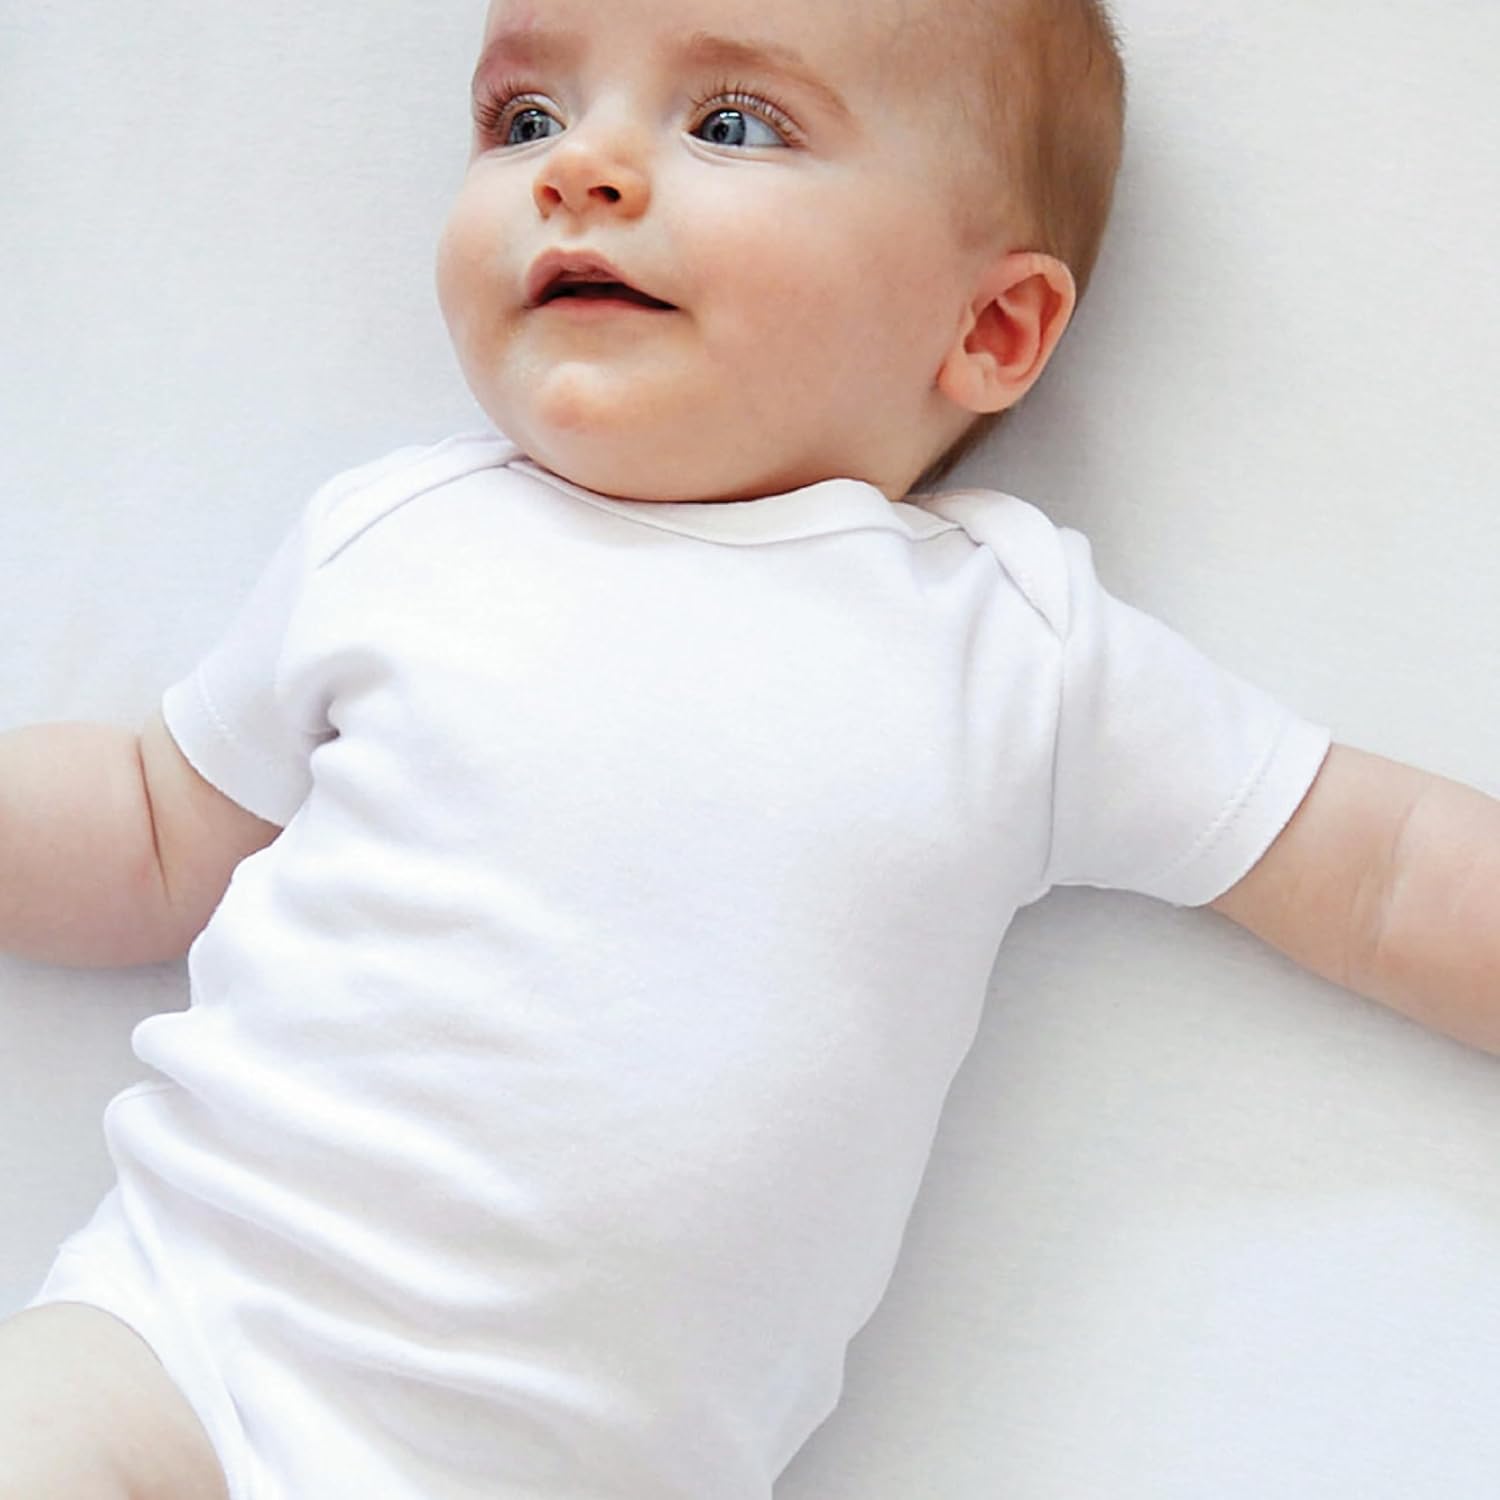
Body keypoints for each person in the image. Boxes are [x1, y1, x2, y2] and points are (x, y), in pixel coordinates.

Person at [1, 0, 1497, 1495]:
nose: (579, 167)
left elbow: (1378, 871)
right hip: (178, 1354)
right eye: (524, 118)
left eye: (731, 124)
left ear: (988, 328)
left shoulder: (1008, 648)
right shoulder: (399, 536)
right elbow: (151, 826)